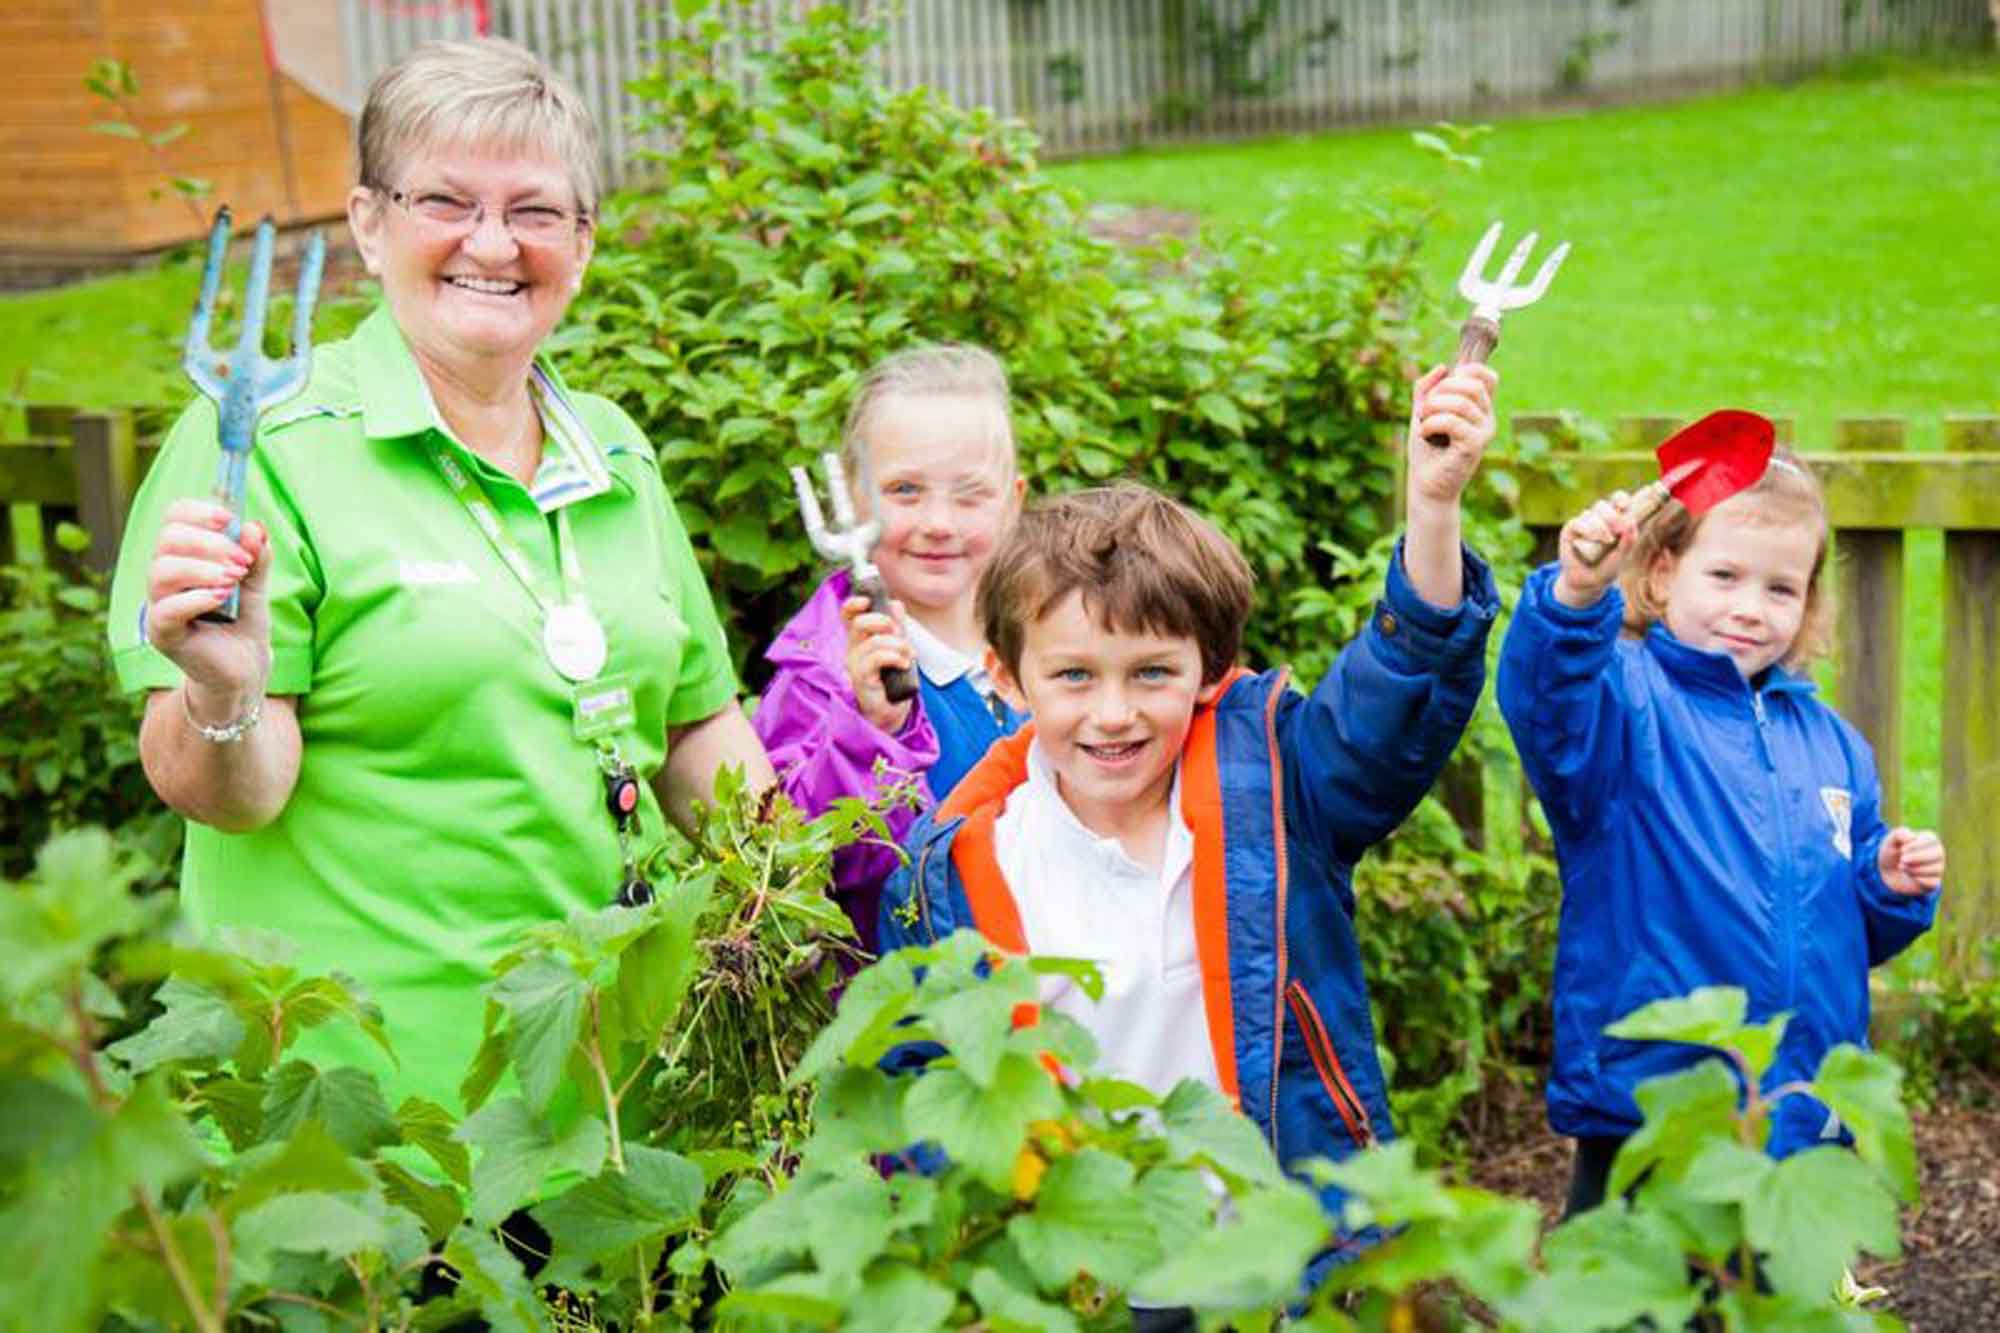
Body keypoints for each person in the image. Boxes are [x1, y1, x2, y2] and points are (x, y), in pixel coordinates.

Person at [107, 37, 773, 1117]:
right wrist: (222, 691)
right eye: (447, 202)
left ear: (585, 243)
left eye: (537, 211)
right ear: (368, 225)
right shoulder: (266, 441)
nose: (493, 243)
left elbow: (698, 730)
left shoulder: (613, 452)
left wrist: (821, 882)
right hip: (370, 1111)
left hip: (616, 1099)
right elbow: (235, 794)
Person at [878, 362, 1502, 1294]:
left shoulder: (1278, 785)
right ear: (1006, 679)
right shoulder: (951, 872)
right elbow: (927, 1087)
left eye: (1152, 674)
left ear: (1210, 671)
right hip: (1085, 1282)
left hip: (1279, 1266)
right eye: (1075, 676)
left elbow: (1391, 703)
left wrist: (1434, 506)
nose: (1115, 713)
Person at [1495, 421, 1944, 1217]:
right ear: (1664, 573)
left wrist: (1882, 882)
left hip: (1798, 1117)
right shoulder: (1626, 703)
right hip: (1659, 1115)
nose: (1751, 608)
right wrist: (1574, 597)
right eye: (1726, 574)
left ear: (1808, 603)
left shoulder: (1833, 748)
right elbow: (1545, 702)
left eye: (1780, 588)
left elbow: (1833, 927)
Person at [754, 345, 1026, 954]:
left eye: (970, 495)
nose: (938, 521)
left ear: (1014, 501)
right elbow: (799, 859)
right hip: (900, 1019)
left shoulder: (1043, 651)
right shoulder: (821, 676)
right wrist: (869, 728)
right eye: (905, 491)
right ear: (852, 498)